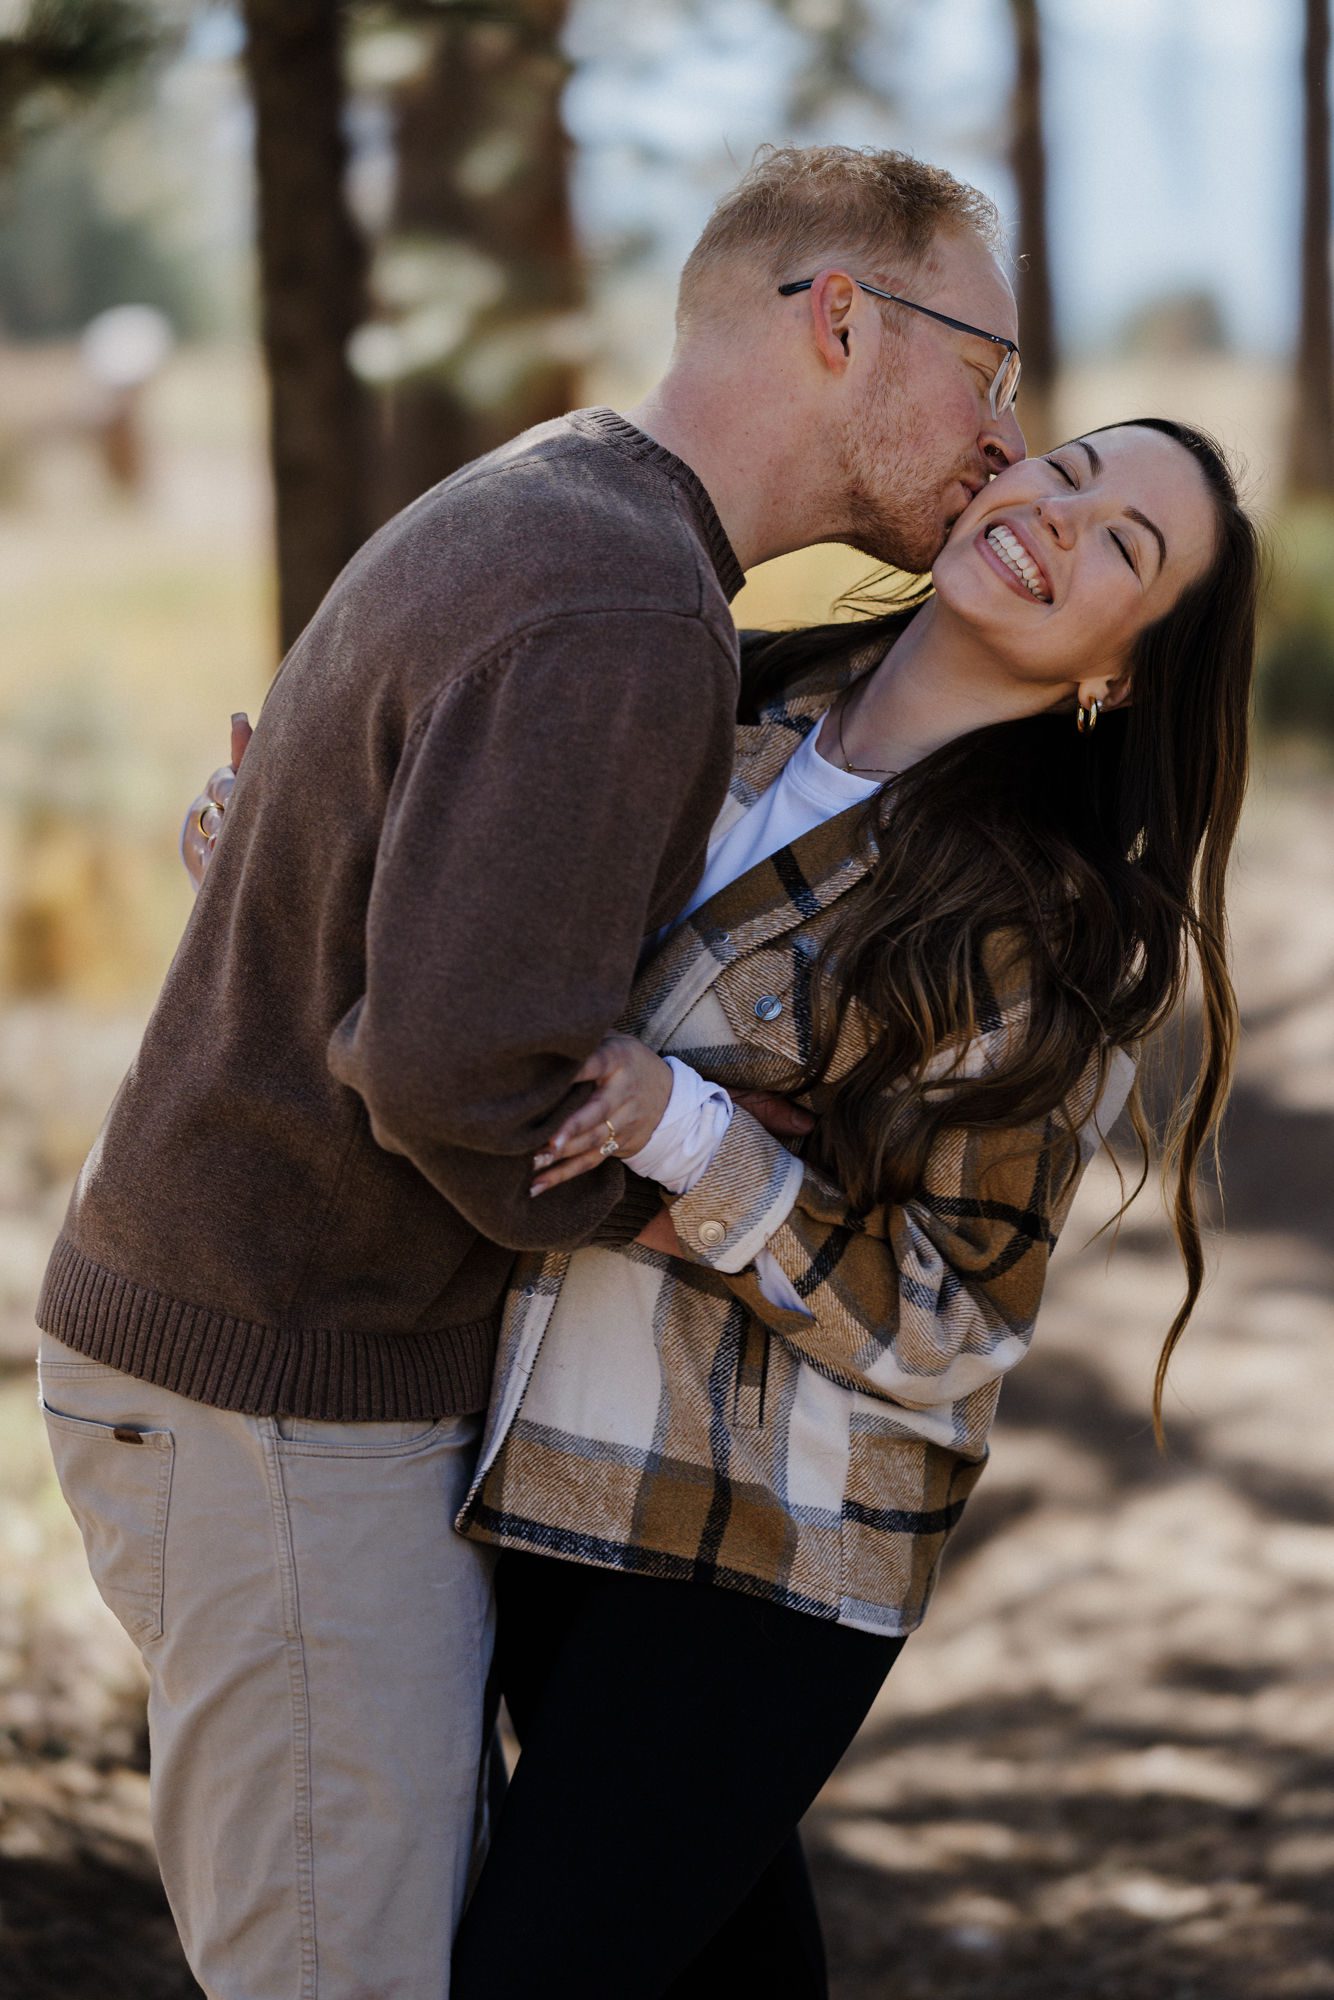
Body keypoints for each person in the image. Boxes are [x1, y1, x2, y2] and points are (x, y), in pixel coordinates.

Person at [34, 144, 1025, 1999]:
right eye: (987, 366)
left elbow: (395, 919)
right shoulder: (626, 607)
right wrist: (697, 1183)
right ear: (839, 321)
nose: (998, 435)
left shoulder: (573, 507)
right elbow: (450, 1067)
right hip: (284, 1390)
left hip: (263, 1355)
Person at [198, 419, 1260, 1998]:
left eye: (1124, 545)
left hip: (762, 1552)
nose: (1060, 513)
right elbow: (487, 1004)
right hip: (529, 1462)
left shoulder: (1036, 927)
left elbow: (948, 1318)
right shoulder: (712, 695)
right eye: (1072, 467)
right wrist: (290, 870)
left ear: (1120, 672)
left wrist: (692, 1137)